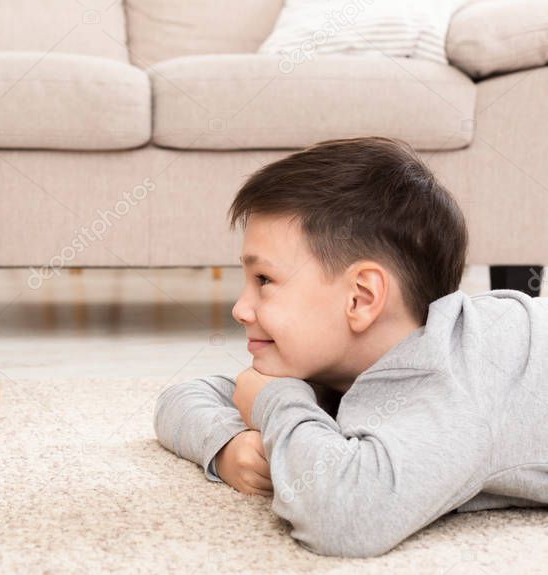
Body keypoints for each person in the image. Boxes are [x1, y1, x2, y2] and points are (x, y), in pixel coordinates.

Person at [154, 137, 548, 557]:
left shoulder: (457, 380)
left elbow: (343, 517)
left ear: (361, 297)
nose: (240, 309)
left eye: (264, 281)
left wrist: (275, 401)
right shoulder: (360, 358)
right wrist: (228, 445)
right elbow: (181, 399)